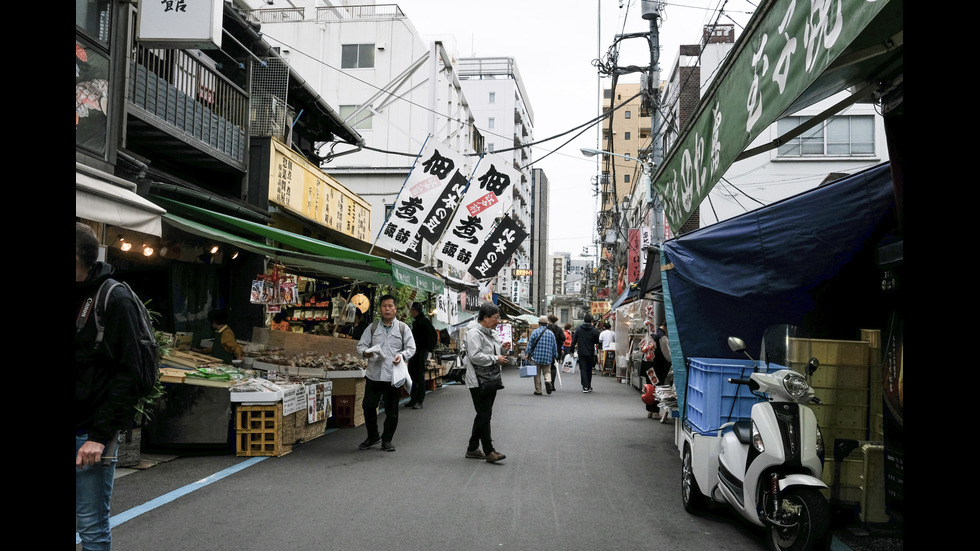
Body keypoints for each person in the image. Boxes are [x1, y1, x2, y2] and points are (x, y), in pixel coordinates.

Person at [76, 222, 146, 550]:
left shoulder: (114, 298)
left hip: (90, 432)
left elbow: (129, 373)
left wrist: (99, 437)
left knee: (91, 524)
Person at [356, 295, 416, 452]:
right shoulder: (373, 327)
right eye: (384, 306)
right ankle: (373, 436)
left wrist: (401, 356)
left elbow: (411, 348)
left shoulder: (403, 328)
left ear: (395, 309)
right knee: (368, 406)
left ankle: (387, 440)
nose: (387, 309)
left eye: (390, 306)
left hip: (392, 375)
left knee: (392, 410)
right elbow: (361, 345)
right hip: (373, 374)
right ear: (380, 309)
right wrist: (366, 353)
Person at [462, 302, 511, 463]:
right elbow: (475, 356)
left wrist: (503, 349)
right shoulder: (474, 333)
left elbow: (494, 352)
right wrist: (495, 358)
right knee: (484, 414)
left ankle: (472, 448)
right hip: (478, 380)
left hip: (491, 378)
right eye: (495, 318)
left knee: (484, 414)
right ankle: (489, 450)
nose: (498, 321)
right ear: (485, 317)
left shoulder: (491, 332)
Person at [406, 301, 436, 409]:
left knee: (419, 376)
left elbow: (433, 337)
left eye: (411, 310)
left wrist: (427, 350)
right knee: (412, 375)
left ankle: (419, 401)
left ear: (415, 311)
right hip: (414, 352)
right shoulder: (417, 322)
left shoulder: (424, 322)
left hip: (421, 352)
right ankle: (413, 399)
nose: (410, 312)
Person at [528, 316, 558, 395]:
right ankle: (548, 381)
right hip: (547, 357)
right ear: (546, 324)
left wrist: (528, 353)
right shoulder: (551, 334)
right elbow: (554, 346)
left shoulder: (535, 332)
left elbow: (530, 344)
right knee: (547, 372)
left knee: (537, 374)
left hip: (536, 357)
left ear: (539, 323)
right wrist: (555, 355)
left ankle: (539, 390)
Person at [572, 314, 601, 393]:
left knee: (583, 369)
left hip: (581, 351)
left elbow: (574, 340)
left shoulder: (579, 329)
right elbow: (597, 341)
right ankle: (588, 385)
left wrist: (571, 350)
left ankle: (585, 386)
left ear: (584, 320)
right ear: (591, 320)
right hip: (590, 351)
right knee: (589, 368)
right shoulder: (594, 330)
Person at [546, 314, 565, 387]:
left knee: (547, 366)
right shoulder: (559, 329)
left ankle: (548, 381)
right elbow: (563, 338)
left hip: (547, 348)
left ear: (549, 320)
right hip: (557, 349)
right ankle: (552, 383)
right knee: (554, 366)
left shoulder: (546, 328)